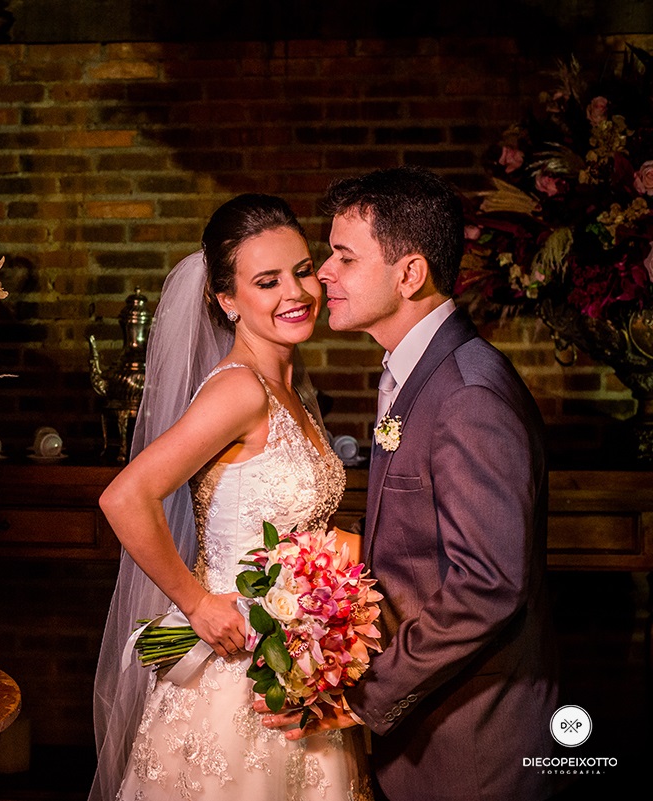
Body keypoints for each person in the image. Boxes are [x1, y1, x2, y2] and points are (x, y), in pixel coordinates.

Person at [257, 166, 560, 801]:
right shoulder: (412, 371)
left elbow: (488, 586)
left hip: (472, 748)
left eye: (344, 257)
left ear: (409, 273)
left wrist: (364, 696)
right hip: (429, 735)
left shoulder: (468, 394)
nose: (323, 276)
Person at [89, 194, 372, 801]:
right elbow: (125, 497)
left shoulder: (292, 388)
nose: (294, 293)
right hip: (233, 677)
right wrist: (196, 602)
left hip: (293, 672)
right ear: (226, 300)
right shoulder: (239, 391)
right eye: (266, 282)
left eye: (301, 270)